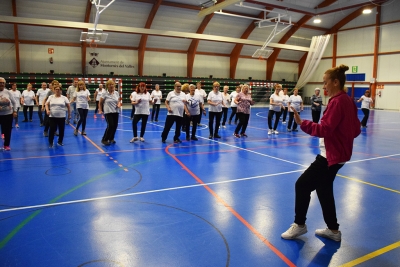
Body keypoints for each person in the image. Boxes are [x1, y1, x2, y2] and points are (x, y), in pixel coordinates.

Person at [281, 64, 361, 242]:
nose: (323, 86)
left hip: (330, 157)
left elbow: (325, 129)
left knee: (302, 185)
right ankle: (333, 230)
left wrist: (302, 123)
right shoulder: (347, 100)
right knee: (324, 190)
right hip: (340, 155)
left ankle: (299, 225)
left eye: (325, 83)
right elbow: (356, 130)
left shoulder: (338, 101)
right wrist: (342, 137)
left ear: (335, 82)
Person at [99, 79, 121, 146]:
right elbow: (100, 103)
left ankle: (111, 138)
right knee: (110, 125)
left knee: (115, 126)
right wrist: (100, 110)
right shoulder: (104, 94)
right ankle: (104, 139)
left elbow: (119, 101)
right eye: (109, 84)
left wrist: (119, 104)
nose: (111, 86)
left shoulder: (116, 93)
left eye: (112, 84)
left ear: (114, 85)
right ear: (107, 86)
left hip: (116, 111)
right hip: (108, 112)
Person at [0, 77, 18, 151]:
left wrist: (15, 111)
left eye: (3, 83)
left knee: (8, 130)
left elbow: (14, 102)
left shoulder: (8, 92)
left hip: (8, 114)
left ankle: (6, 145)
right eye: (0, 83)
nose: (2, 84)